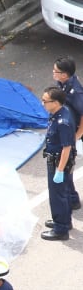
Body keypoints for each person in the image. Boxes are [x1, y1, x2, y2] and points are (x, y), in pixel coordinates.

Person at [40, 86, 75, 241]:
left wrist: (59, 170)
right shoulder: (58, 113)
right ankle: (64, 222)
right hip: (56, 159)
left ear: (55, 102)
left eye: (45, 101)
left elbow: (66, 147)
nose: (43, 103)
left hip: (59, 162)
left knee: (57, 195)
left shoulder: (63, 121)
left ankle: (61, 229)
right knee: (62, 194)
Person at [52, 56, 83, 211]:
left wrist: (77, 136)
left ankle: (72, 199)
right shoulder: (63, 84)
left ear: (65, 75)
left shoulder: (75, 92)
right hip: (69, 129)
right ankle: (72, 199)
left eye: (56, 71)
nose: (53, 73)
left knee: (66, 164)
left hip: (76, 131)